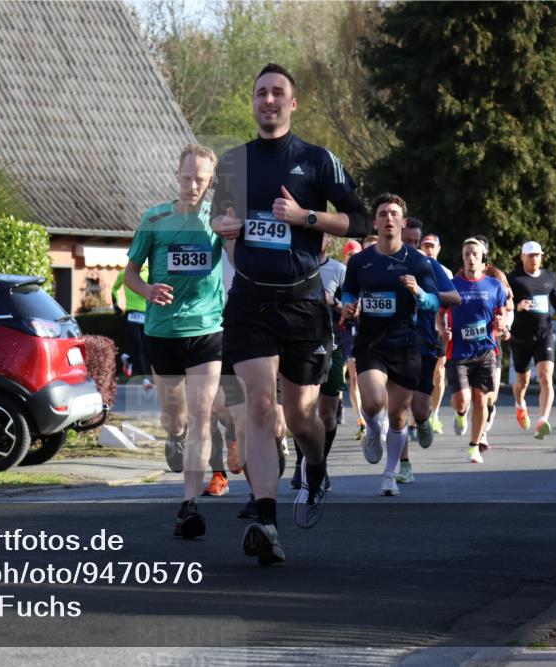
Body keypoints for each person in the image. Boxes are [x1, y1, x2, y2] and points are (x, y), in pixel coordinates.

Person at [211, 63, 370, 565]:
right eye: (261, 93)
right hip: (251, 303)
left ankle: (317, 466)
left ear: (292, 103)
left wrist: (307, 217)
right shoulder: (234, 163)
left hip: (303, 303)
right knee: (259, 407)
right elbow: (222, 220)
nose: (269, 100)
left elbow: (359, 217)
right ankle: (266, 519)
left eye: (278, 92)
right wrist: (225, 230)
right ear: (253, 102)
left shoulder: (317, 160)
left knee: (301, 417)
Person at [124, 143, 225, 539]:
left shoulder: (218, 220)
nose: (192, 185)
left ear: (210, 181)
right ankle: (174, 436)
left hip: (206, 328)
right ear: (177, 177)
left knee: (202, 415)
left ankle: (189, 505)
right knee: (175, 415)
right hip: (162, 331)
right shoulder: (155, 218)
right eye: (186, 178)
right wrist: (147, 291)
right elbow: (131, 274)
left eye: (200, 179)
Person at [340, 193, 439, 496]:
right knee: (372, 402)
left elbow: (434, 302)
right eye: (382, 213)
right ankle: (372, 429)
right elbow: (348, 292)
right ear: (375, 221)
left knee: (398, 417)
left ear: (403, 221)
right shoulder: (360, 261)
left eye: (394, 213)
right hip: (370, 342)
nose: (388, 218)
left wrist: (419, 292)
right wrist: (348, 306)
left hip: (405, 343)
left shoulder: (419, 262)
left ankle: (390, 473)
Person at [396, 218, 460, 484]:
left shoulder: (429, 265)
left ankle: (423, 421)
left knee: (419, 408)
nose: (412, 247)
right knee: (397, 407)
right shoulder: (385, 262)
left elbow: (455, 297)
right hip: (392, 341)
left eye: (415, 242)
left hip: (423, 342)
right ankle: (403, 465)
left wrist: (423, 290)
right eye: (407, 241)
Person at [443, 238, 511, 463]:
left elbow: (502, 314)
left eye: (475, 254)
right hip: (458, 352)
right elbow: (438, 312)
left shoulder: (494, 285)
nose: (471, 258)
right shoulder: (452, 285)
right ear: (462, 259)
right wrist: (442, 329)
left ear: (483, 258)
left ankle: (474, 446)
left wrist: (502, 326)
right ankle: (461, 414)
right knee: (462, 400)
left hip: (485, 351)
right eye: (466, 255)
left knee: (480, 399)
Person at [291, 233, 346, 492]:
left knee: (326, 414)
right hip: (299, 347)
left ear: (328, 240)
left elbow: (352, 307)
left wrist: (333, 301)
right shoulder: (293, 264)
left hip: (331, 346)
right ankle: (304, 463)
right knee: (301, 412)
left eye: (321, 236)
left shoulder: (338, 269)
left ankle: (319, 462)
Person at [509, 241, 556, 439]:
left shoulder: (549, 277)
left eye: (537, 255)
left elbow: (555, 298)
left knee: (546, 377)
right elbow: (505, 303)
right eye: (530, 255)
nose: (534, 259)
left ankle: (543, 420)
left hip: (544, 334)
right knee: (522, 382)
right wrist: (517, 306)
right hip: (520, 337)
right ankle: (520, 404)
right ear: (522, 257)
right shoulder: (514, 279)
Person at [419, 233, 451, 433]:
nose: (429, 249)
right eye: (426, 245)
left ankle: (435, 414)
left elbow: (453, 303)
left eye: (433, 246)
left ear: (439, 249)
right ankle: (417, 416)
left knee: (439, 371)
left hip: (439, 328)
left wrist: (449, 326)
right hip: (418, 327)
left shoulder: (445, 272)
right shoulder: (415, 267)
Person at [112, 263, 152, 388]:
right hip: (131, 314)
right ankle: (145, 380)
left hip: (147, 315)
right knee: (139, 346)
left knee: (146, 347)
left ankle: (128, 360)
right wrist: (115, 306)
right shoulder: (125, 273)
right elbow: (114, 288)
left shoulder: (150, 274)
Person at [341, 240, 365, 441]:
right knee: (354, 375)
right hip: (347, 331)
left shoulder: (367, 274)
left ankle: (375, 414)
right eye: (350, 255)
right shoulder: (342, 274)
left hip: (367, 330)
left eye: (357, 254)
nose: (353, 258)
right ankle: (361, 420)